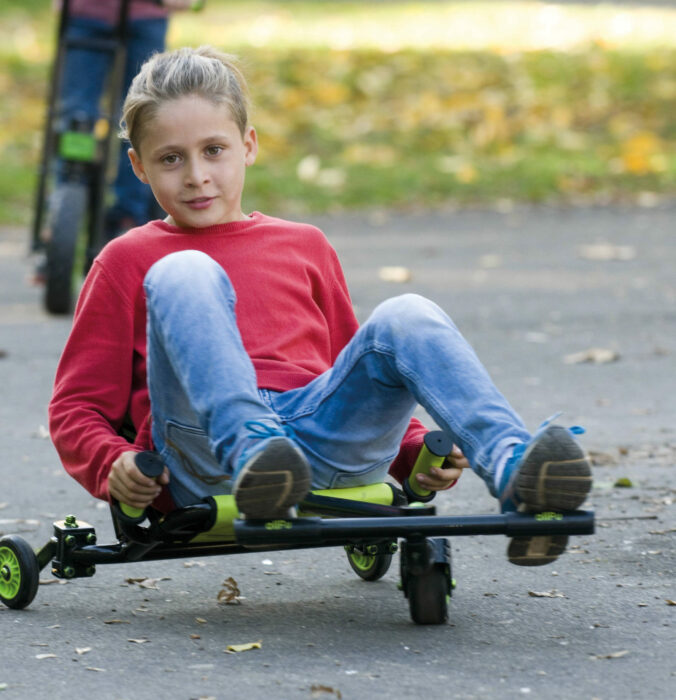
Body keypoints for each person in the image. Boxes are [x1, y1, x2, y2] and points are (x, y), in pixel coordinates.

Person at [49, 45, 592, 567]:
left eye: (213, 150)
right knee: (184, 270)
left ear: (249, 145)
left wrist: (413, 452)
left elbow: (354, 367)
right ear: (138, 167)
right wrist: (112, 462)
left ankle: (518, 472)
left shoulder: (304, 245)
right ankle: (252, 453)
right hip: (205, 454)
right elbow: (75, 408)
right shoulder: (125, 260)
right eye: (171, 159)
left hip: (321, 442)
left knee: (406, 313)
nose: (196, 175)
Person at [56, 0, 200, 237]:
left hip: (145, 15)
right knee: (77, 116)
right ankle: (65, 201)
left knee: (139, 116)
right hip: (87, 13)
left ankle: (129, 213)